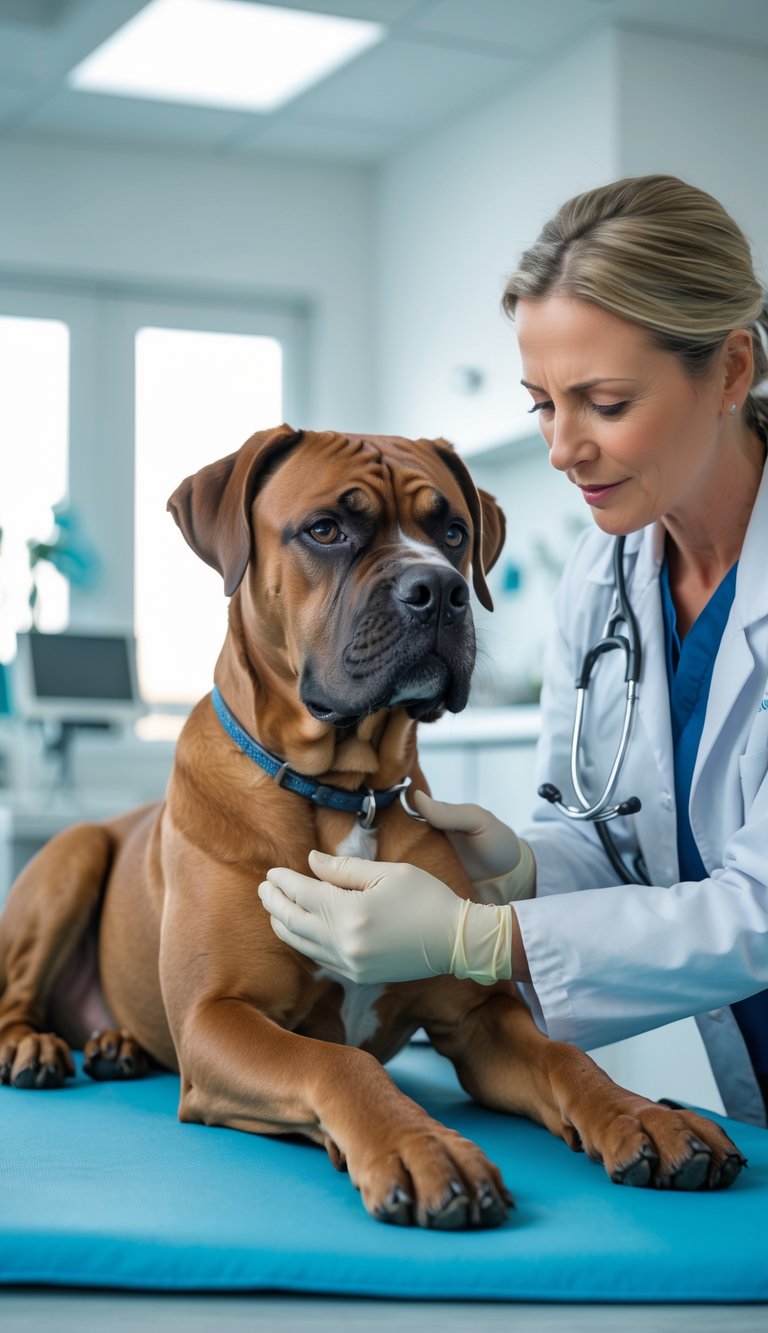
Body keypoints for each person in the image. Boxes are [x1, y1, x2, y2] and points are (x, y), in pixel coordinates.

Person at [258, 175, 768, 1127]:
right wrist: (525, 870)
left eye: (605, 403)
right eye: (543, 403)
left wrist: (479, 939)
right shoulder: (606, 567)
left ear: (730, 370)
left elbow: (760, 909)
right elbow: (617, 838)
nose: (562, 448)